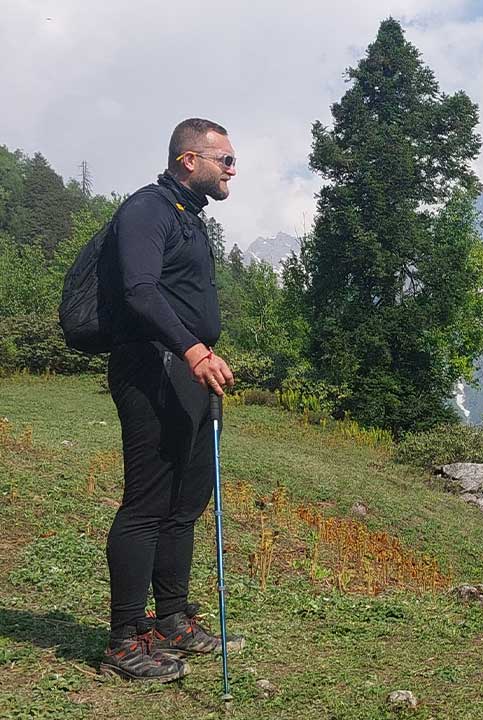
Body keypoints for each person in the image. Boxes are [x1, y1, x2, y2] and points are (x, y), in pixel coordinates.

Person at [98, 118, 242, 682]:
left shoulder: (189, 218)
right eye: (225, 159)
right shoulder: (147, 210)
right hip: (152, 366)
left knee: (187, 502)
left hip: (191, 372)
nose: (234, 168)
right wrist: (192, 350)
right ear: (189, 160)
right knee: (147, 504)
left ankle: (172, 619)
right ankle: (123, 637)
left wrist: (199, 357)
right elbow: (139, 290)